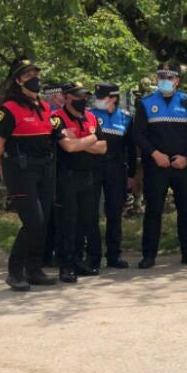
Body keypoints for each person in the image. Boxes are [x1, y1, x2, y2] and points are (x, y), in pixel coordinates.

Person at [0, 59, 63, 290]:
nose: (34, 78)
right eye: (28, 75)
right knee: (34, 221)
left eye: (35, 73)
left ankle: (34, 269)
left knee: (43, 221)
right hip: (20, 171)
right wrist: (5, 174)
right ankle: (15, 272)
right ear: (19, 80)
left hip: (44, 169)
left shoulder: (44, 107)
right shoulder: (9, 109)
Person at [133, 64, 187, 269]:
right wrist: (155, 154)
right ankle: (148, 256)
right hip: (156, 166)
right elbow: (138, 134)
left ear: (177, 81)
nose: (165, 80)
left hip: (182, 166)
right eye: (161, 77)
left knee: (186, 211)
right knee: (153, 211)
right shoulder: (145, 103)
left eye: (169, 77)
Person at [52, 82, 108, 283]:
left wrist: (81, 141)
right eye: (78, 96)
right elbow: (67, 147)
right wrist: (92, 139)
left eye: (84, 96)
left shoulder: (91, 117)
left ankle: (77, 261)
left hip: (88, 176)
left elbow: (103, 147)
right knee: (67, 222)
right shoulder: (57, 118)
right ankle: (65, 266)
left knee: (86, 221)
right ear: (66, 98)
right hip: (66, 177)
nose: (83, 100)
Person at [87, 82, 136, 269]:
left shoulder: (125, 118)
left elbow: (131, 149)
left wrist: (131, 174)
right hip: (93, 168)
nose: (98, 100)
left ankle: (114, 255)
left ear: (114, 98)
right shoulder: (90, 115)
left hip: (116, 169)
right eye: (98, 97)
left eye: (103, 97)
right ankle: (92, 256)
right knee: (91, 212)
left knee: (114, 212)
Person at [40, 80, 65, 268]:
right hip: (47, 168)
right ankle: (45, 253)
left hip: (61, 168)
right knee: (47, 213)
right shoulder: (48, 114)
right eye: (59, 96)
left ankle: (53, 252)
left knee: (58, 213)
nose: (62, 99)